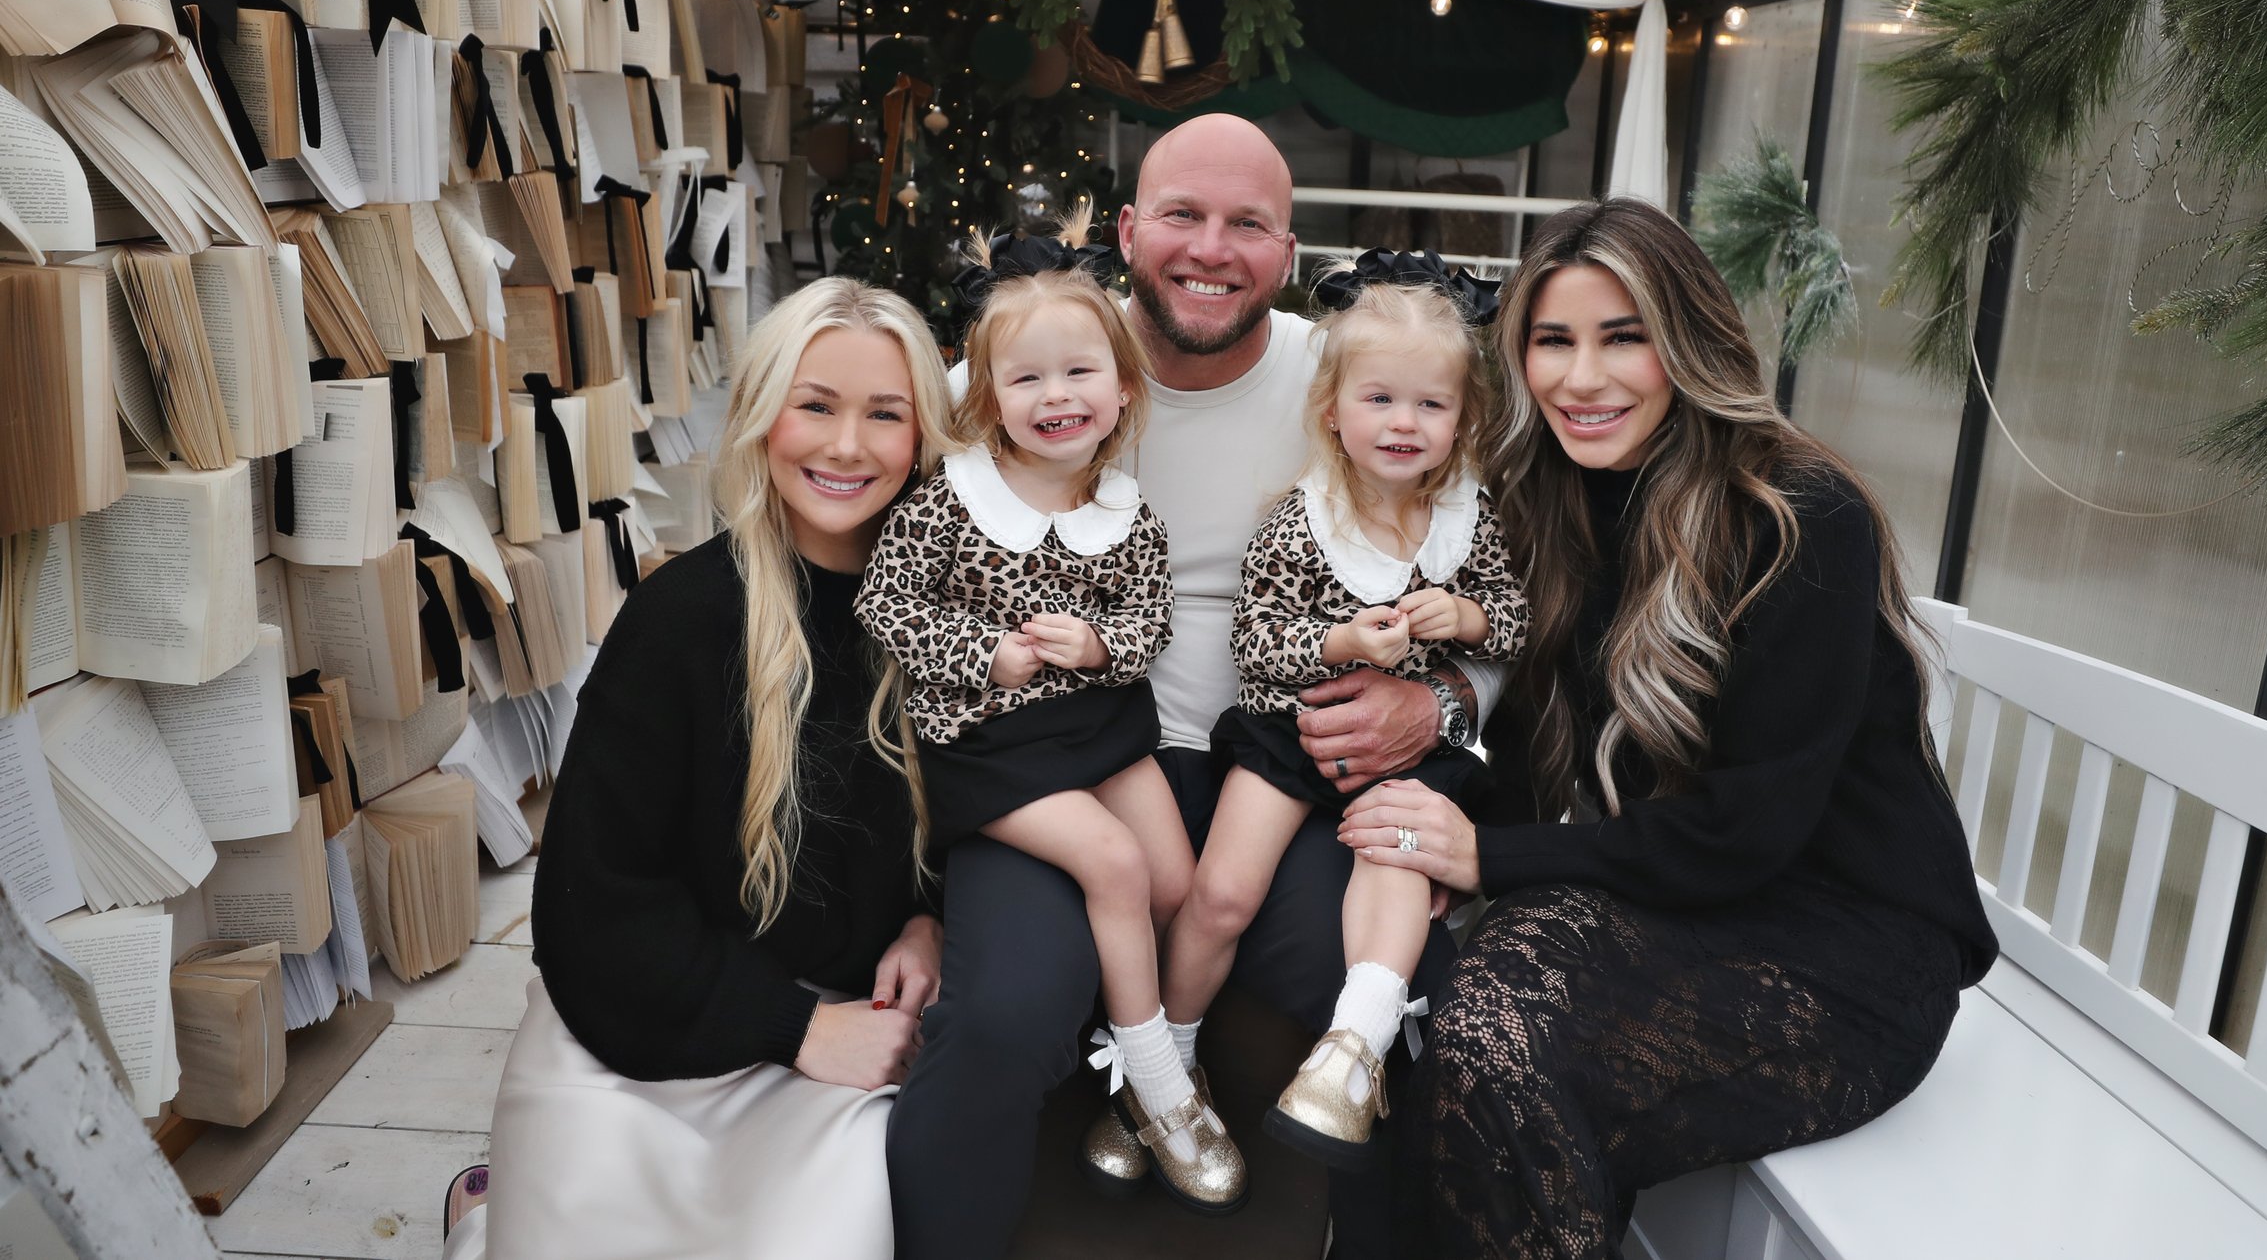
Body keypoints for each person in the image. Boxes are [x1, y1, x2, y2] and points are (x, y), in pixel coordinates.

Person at [887, 115, 1504, 1258]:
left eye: (1247, 224)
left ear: (1287, 248)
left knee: (1385, 980)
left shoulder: (1365, 377)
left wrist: (1446, 695)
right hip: (1058, 754)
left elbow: (1488, 576)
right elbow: (890, 573)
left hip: (1282, 755)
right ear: (1127, 228)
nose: (1210, 249)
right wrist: (901, 885)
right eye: (1181, 214)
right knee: (1012, 1002)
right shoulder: (1020, 368)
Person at [1336, 198, 2000, 1258]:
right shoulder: (1547, 495)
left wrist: (1491, 853)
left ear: (1688, 340)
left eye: (1623, 336)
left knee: (1496, 1040)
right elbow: (1525, 737)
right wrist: (1432, 813)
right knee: (1458, 1007)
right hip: (1672, 898)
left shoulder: (1796, 517)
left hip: (1842, 943)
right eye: (1552, 340)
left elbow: (1745, 829)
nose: (1580, 378)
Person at [444, 277, 953, 1260]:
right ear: (763, 418)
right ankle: (486, 1217)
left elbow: (988, 815)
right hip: (650, 1030)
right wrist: (793, 1023)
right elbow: (593, 902)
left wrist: (932, 917)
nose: (847, 445)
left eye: (884, 413)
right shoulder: (680, 616)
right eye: (815, 404)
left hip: (847, 1049)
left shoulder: (949, 625)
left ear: (921, 436)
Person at [855, 212, 1239, 1211]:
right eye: (1025, 379)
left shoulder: (1126, 511)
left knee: (1174, 880)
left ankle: (1126, 1047)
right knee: (1112, 865)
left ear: (1119, 388)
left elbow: (1149, 619)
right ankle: (1164, 1094)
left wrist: (1103, 642)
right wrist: (982, 650)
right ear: (987, 394)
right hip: (987, 737)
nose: (1054, 397)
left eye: (1077, 374)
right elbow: (885, 602)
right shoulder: (953, 498)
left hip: (1100, 725)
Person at [1164, 275, 1526, 1168]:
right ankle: (1163, 1067)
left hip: (1406, 752)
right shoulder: (1303, 521)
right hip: (1290, 736)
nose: (1404, 422)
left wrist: (1466, 620)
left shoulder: (1467, 521)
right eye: (1380, 398)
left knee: (1394, 856)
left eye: (1430, 403)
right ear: (1332, 412)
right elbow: (1255, 642)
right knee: (1222, 894)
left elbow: (1518, 620)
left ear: (1461, 418)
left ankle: (1352, 1051)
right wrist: (1337, 640)